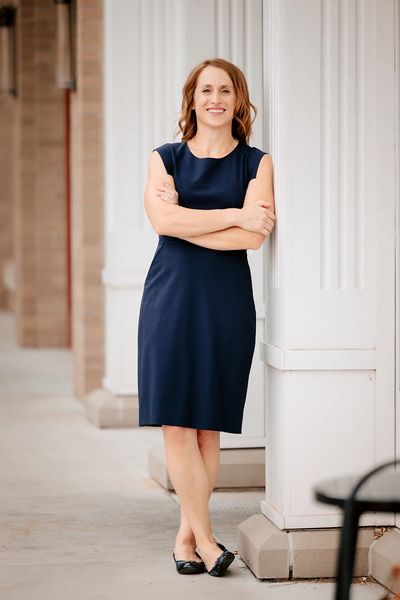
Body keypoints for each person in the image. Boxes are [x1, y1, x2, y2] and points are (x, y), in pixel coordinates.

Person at [137, 57, 275, 577]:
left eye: (225, 90)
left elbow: (252, 238)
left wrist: (188, 222)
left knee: (207, 429)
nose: (214, 98)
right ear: (191, 99)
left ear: (238, 100)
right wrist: (234, 213)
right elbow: (160, 220)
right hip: (170, 298)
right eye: (205, 90)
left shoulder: (257, 164)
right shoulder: (165, 157)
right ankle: (208, 538)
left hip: (225, 301)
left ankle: (184, 536)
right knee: (177, 425)